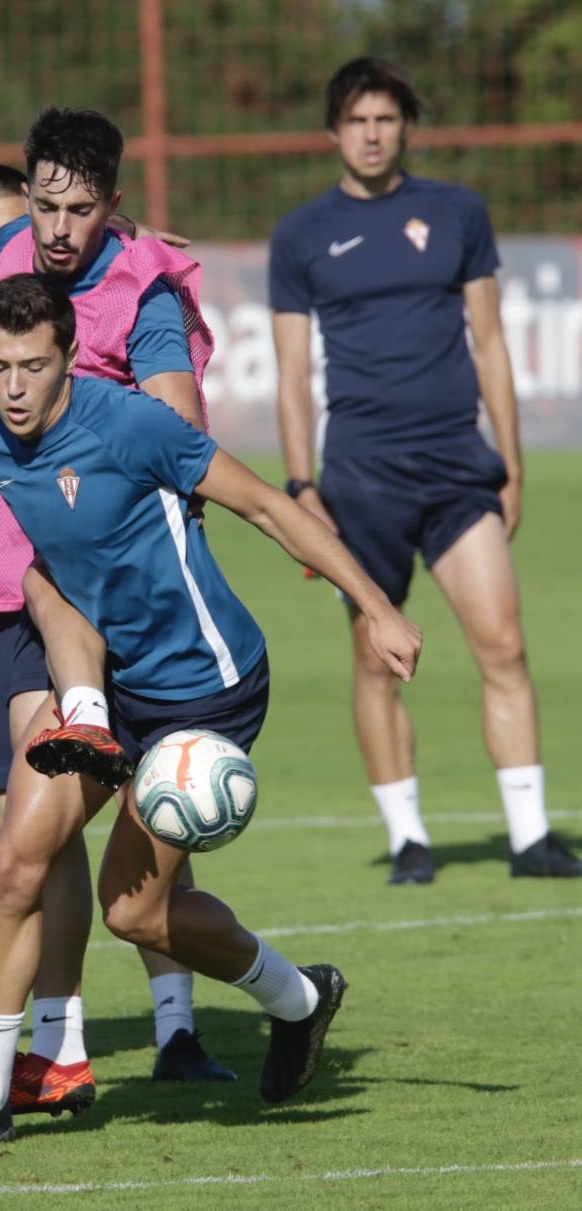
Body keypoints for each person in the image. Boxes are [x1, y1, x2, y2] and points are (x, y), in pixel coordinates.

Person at [0, 274, 423, 1149]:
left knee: (136, 916)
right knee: (14, 866)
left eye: (31, 366)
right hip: (113, 688)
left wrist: (377, 606)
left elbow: (267, 505)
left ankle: (300, 999)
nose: (11, 387)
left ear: (69, 357)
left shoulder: (134, 425)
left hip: (207, 687)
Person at [0, 111, 236, 1084]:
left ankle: (138, 1031)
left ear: (109, 211)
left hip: (122, 591)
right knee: (30, 835)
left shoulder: (139, 293)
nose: (51, 229)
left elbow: (178, 425)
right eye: (42, 207)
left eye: (79, 209)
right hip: (8, 592)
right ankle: (50, 1032)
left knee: (113, 812)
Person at [269, 56, 582, 884]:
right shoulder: (300, 235)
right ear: (334, 131)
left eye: (386, 118)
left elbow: (490, 341)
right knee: (377, 660)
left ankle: (528, 837)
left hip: (456, 470)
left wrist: (510, 460)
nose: (372, 134)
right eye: (357, 120)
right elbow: (293, 375)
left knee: (504, 644)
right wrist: (303, 486)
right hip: (359, 480)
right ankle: (409, 837)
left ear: (405, 126)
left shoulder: (456, 212)